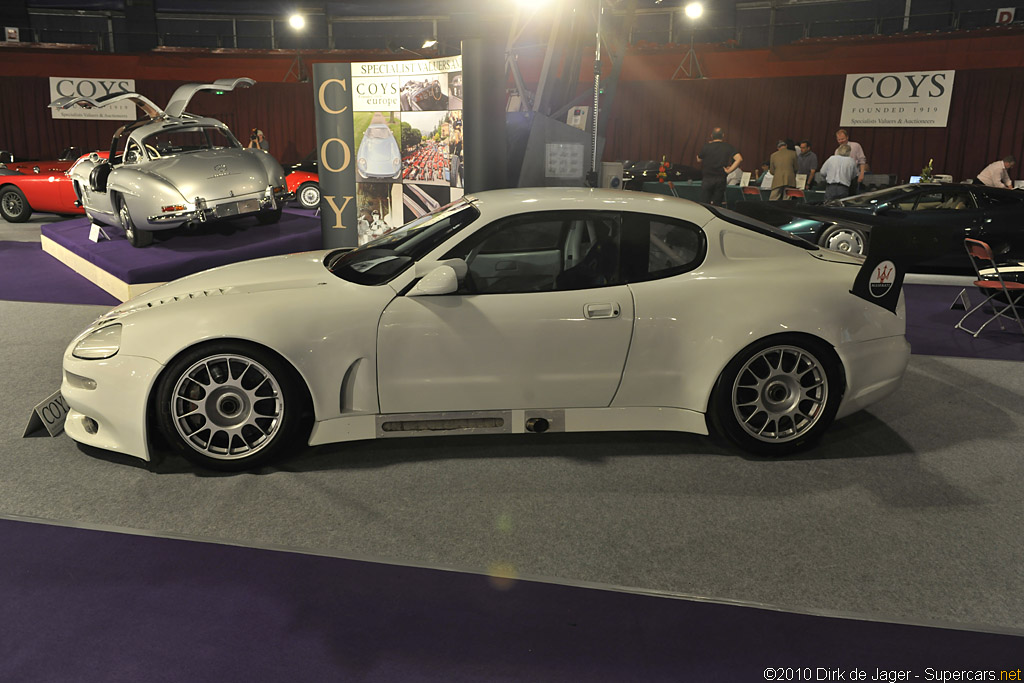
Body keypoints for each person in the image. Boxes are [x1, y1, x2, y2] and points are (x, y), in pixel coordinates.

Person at [696, 127, 742, 206]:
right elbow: (739, 159)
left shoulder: (707, 146)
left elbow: (699, 159)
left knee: (704, 204)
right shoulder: (728, 146)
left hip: (708, 178)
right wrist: (729, 170)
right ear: (723, 135)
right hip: (720, 178)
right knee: (717, 204)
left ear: (711, 136)